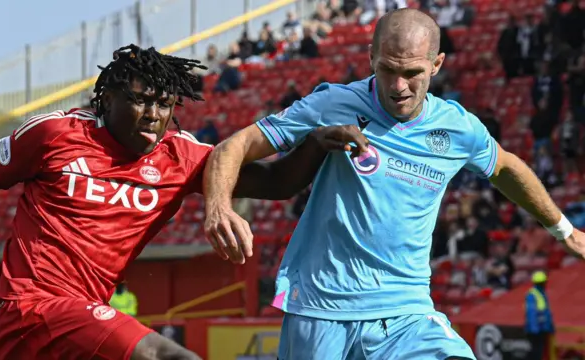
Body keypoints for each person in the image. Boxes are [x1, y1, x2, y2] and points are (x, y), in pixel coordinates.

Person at [202, 8, 585, 360]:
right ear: (371, 57)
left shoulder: (457, 127)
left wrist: (563, 229)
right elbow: (234, 146)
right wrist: (219, 207)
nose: (399, 85)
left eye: (413, 73)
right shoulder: (332, 105)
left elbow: (505, 168)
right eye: (388, 69)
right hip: (322, 308)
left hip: (406, 312)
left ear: (436, 65)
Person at [0, 44, 369, 360]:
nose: (153, 113)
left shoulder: (179, 158)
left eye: (164, 103)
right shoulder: (55, 135)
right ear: (107, 99)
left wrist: (314, 144)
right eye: (140, 99)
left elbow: (278, 182)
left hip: (83, 320)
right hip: (28, 308)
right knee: (166, 356)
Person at [525, 271, 554, 360]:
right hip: (536, 329)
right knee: (536, 352)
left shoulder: (542, 294)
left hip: (542, 328)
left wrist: (550, 326)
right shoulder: (533, 294)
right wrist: (534, 329)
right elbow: (531, 313)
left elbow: (546, 312)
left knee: (540, 352)